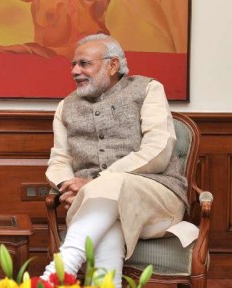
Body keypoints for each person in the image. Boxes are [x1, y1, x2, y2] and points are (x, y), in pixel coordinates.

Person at [41, 33, 194, 287]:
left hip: (156, 201)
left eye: (84, 63)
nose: (75, 71)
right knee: (109, 225)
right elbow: (59, 160)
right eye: (73, 65)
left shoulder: (147, 89)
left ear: (112, 65)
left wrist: (95, 183)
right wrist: (67, 186)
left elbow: (158, 150)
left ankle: (58, 272)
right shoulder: (65, 106)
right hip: (99, 206)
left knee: (111, 187)